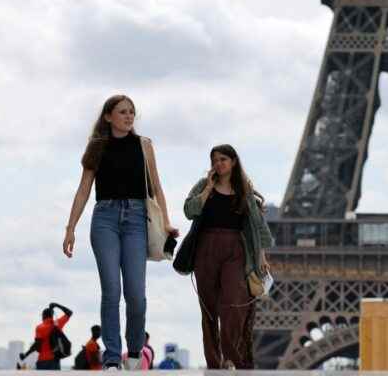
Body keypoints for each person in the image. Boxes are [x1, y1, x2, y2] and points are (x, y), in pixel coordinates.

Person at [62, 95, 178, 370]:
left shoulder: (144, 145)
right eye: (123, 112)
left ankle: (135, 349)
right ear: (108, 117)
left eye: (132, 113)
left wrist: (165, 223)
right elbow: (83, 189)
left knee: (136, 295)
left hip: (138, 219)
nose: (128, 117)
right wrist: (70, 228)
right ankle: (113, 357)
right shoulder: (97, 147)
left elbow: (157, 188)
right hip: (105, 219)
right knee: (111, 291)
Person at [183, 144, 273, 369]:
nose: (218, 163)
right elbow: (189, 211)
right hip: (206, 248)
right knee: (209, 309)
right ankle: (215, 363)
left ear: (233, 161)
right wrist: (207, 190)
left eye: (223, 159)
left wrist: (261, 255)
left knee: (234, 303)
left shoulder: (244, 190)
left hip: (235, 249)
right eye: (214, 160)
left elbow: (257, 225)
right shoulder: (204, 186)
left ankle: (232, 357)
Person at [20, 302, 72, 370]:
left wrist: (26, 354)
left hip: (42, 361)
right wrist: (56, 305)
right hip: (54, 360)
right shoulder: (57, 324)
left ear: (43, 316)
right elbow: (69, 312)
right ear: (52, 316)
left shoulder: (40, 327)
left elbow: (37, 344)